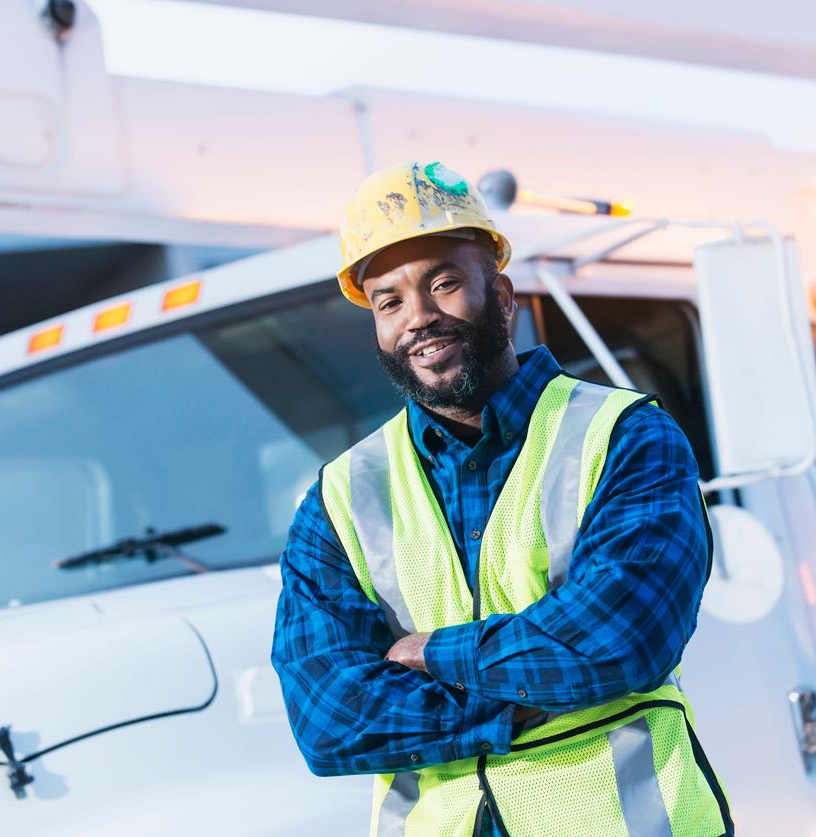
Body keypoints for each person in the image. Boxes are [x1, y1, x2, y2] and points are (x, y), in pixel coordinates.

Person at [270, 161, 732, 837]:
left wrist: (429, 653)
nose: (419, 318)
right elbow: (328, 716)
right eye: (389, 301)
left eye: (444, 282)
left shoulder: (625, 435)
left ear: (503, 295)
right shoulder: (338, 497)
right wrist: (511, 702)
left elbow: (622, 637)